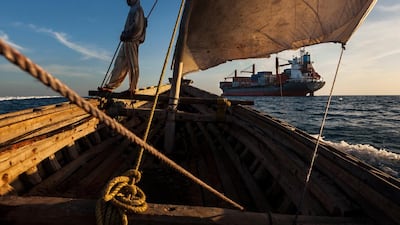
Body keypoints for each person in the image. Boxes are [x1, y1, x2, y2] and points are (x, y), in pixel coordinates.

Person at [99, 0, 146, 94]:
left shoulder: (138, 9)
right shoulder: (133, 9)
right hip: (126, 40)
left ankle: (133, 88)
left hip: (131, 40)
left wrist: (127, 34)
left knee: (133, 64)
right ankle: (111, 86)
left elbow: (137, 27)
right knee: (119, 62)